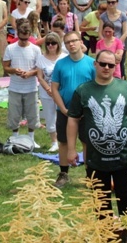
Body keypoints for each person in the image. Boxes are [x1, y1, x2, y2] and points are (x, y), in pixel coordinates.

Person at [67, 50, 127, 242]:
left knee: (126, 200)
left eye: (111, 65)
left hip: (123, 159)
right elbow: (72, 120)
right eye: (103, 64)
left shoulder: (126, 88)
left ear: (116, 67)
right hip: (95, 160)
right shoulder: (83, 90)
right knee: (100, 203)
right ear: (95, 64)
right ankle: (106, 235)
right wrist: (71, 149)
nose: (106, 68)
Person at [50, 31, 95, 188]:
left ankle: (90, 176)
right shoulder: (60, 64)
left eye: (74, 41)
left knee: (87, 143)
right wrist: (62, 108)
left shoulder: (92, 63)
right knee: (63, 142)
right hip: (65, 110)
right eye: (68, 42)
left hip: (87, 112)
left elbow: (97, 88)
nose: (71, 44)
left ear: (80, 42)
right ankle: (63, 174)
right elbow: (54, 88)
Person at [2, 22, 41, 148]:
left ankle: (31, 139)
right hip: (15, 87)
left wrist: (30, 73)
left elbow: (40, 69)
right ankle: (15, 137)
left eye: (26, 38)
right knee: (14, 114)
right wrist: (14, 71)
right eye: (21, 38)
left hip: (31, 87)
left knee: (32, 114)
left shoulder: (36, 49)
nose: (24, 41)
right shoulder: (10, 48)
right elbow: (5, 67)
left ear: (30, 35)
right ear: (17, 34)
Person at [36, 32, 65, 152]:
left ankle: (64, 140)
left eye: (53, 43)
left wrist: (56, 90)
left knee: (62, 116)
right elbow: (40, 77)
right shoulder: (41, 58)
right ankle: (54, 142)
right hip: (46, 92)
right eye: (48, 43)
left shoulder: (64, 57)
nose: (50, 46)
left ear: (58, 44)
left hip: (61, 92)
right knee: (49, 117)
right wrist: (48, 89)